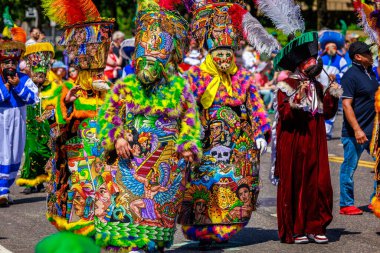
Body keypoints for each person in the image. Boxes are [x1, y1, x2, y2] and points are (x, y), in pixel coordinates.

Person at [97, 0, 201, 250]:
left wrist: (188, 145)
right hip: (127, 163)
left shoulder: (179, 89)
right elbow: (108, 116)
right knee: (125, 218)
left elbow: (191, 123)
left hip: (166, 168)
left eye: (154, 63)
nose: (147, 69)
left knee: (156, 225)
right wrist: (118, 138)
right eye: (144, 61)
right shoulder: (125, 86)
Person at [178, 2, 278, 247]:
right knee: (203, 185)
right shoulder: (196, 76)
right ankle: (202, 230)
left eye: (227, 54)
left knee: (233, 184)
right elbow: (185, 106)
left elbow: (255, 105)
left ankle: (225, 226)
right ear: (210, 54)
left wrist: (261, 133)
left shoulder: (242, 77)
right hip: (205, 140)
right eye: (218, 54)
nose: (223, 58)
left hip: (237, 143)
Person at [273, 31, 341, 244]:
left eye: (314, 59)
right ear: (300, 65)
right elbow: (285, 115)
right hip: (294, 139)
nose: (314, 64)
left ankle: (316, 224)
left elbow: (328, 113)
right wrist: (296, 100)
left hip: (315, 138)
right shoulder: (287, 85)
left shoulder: (318, 85)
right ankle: (296, 227)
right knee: (296, 183)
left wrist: (332, 92)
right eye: (309, 61)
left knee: (318, 183)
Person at [0, 27, 39, 206]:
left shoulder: (23, 78)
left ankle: (5, 188)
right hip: (1, 119)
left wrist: (17, 86)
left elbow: (33, 99)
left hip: (18, 119)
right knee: (3, 153)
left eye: (12, 63)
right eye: (6, 62)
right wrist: (5, 89)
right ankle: (2, 191)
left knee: (15, 153)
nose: (9, 66)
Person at [339, 41, 379, 215]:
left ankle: (374, 199)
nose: (371, 56)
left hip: (373, 132)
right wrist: (357, 129)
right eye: (368, 54)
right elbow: (347, 105)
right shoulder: (350, 75)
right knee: (349, 167)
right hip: (354, 132)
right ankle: (346, 204)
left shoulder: (370, 73)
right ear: (358, 57)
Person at [16, 42, 55, 194]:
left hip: (45, 127)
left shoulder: (51, 88)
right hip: (30, 125)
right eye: (36, 75)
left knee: (44, 152)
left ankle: (42, 180)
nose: (39, 78)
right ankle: (31, 182)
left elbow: (55, 105)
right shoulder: (27, 86)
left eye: (42, 75)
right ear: (31, 73)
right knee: (32, 151)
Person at [318, 31, 348, 139]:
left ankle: (327, 132)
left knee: (331, 109)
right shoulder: (320, 59)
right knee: (319, 110)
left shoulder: (341, 60)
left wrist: (337, 76)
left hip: (333, 89)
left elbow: (346, 73)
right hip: (320, 89)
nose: (331, 49)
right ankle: (319, 130)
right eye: (329, 47)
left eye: (334, 47)